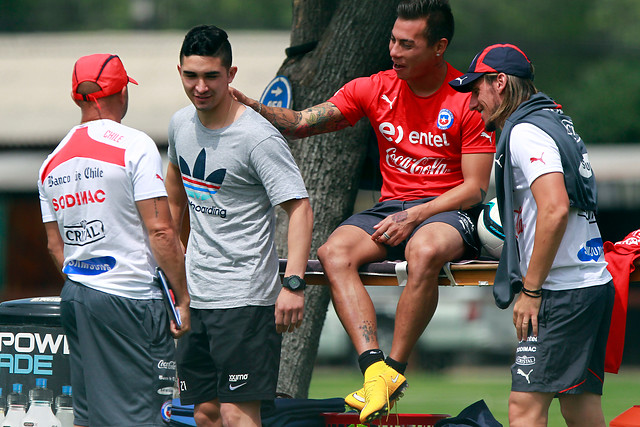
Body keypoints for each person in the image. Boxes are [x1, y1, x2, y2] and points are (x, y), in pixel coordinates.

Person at [232, 0, 495, 422]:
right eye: (393, 40)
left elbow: (475, 187)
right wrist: (252, 107)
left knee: (424, 250)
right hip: (391, 209)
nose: (394, 51)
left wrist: (418, 214)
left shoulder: (467, 99)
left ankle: (394, 371)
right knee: (333, 254)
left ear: (439, 47)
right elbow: (302, 121)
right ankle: (373, 370)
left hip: (448, 212)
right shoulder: (374, 87)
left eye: (407, 44)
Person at [449, 44, 614, 427]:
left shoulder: (525, 131)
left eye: (476, 91)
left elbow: (554, 208)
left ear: (500, 83)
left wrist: (532, 290)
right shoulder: (555, 120)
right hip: (589, 284)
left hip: (561, 291)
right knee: (579, 406)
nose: (473, 104)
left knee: (524, 406)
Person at [166, 25, 313, 427]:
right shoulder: (180, 124)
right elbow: (175, 197)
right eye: (191, 76)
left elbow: (299, 208)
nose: (200, 87)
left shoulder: (257, 137)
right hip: (195, 296)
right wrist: (174, 269)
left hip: (245, 299)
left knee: (236, 414)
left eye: (211, 76)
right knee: (206, 413)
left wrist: (294, 284)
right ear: (179, 71)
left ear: (231, 75)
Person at [38, 53, 191, 426]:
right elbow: (161, 231)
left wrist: (88, 283)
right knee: (142, 416)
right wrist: (184, 296)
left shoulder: (51, 162)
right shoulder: (134, 145)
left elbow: (54, 247)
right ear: (121, 92)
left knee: (88, 417)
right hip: (131, 298)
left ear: (77, 97)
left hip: (76, 295)